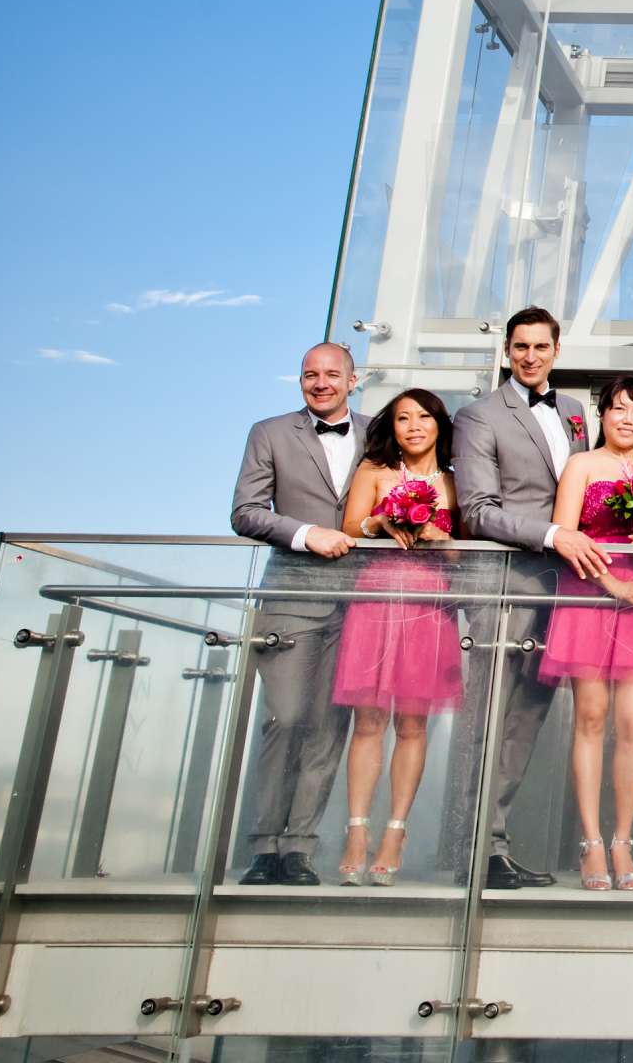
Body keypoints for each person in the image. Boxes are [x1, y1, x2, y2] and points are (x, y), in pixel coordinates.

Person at [452, 307, 608, 891]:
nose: (530, 356)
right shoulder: (477, 416)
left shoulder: (571, 413)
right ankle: (472, 850)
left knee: (525, 722)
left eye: (541, 346)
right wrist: (552, 534)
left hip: (562, 588)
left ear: (557, 349)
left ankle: (494, 846)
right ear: (507, 351)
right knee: (489, 719)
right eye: (520, 347)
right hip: (505, 583)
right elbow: (477, 511)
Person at [228, 343, 370, 885]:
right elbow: (245, 512)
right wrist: (306, 534)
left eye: (332, 374)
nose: (321, 383)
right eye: (311, 374)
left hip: (361, 602)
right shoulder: (268, 433)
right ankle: (264, 845)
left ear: (353, 380)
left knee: (330, 727)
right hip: (291, 593)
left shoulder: (379, 431)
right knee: (285, 719)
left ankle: (298, 848)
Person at [541, 375, 633, 892]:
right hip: (590, 590)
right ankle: (591, 841)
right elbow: (564, 534)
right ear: (602, 414)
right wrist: (611, 582)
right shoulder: (581, 465)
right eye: (618, 408)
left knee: (632, 724)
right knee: (591, 717)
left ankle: (623, 839)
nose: (628, 419)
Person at [330, 389, 463, 887]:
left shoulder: (454, 483)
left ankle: (395, 830)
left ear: (438, 424)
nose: (413, 426)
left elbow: (463, 558)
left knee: (412, 724)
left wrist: (437, 535)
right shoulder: (374, 472)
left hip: (429, 607)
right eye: (403, 418)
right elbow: (347, 528)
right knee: (368, 721)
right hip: (375, 598)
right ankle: (357, 830)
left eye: (423, 417)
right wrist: (380, 521)